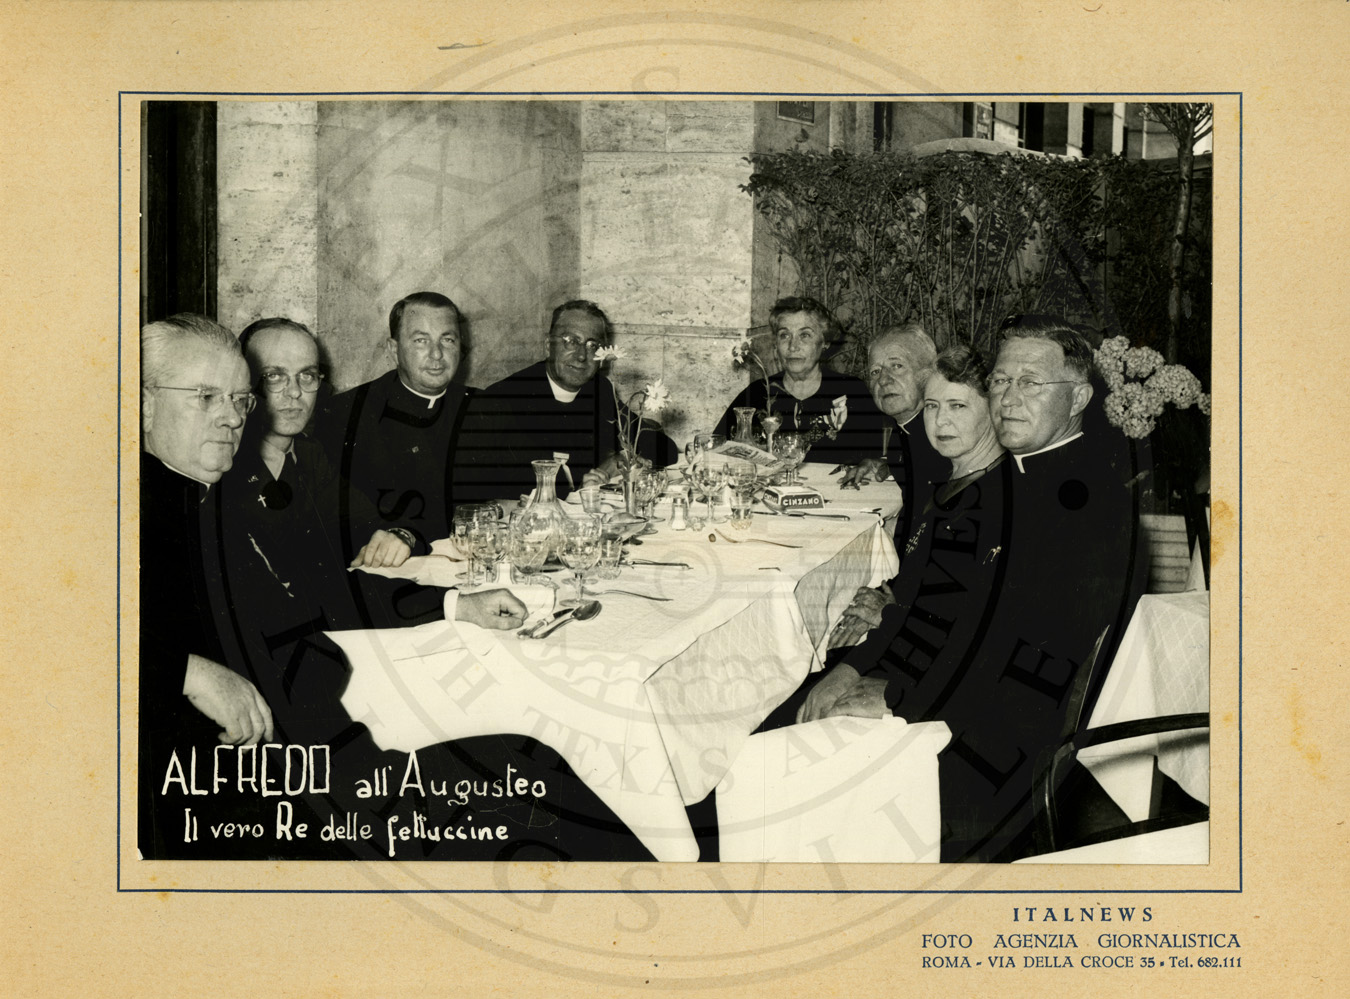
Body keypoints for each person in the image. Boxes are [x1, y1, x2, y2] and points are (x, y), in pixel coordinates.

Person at [814, 319, 1148, 861]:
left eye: (1030, 383)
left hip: (995, 756)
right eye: (1000, 381)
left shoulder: (1087, 505)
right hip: (958, 704)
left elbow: (1031, 668)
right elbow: (940, 613)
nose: (1008, 399)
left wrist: (897, 696)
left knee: (789, 774)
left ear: (1079, 398)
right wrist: (857, 669)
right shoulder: (1007, 482)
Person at [452, 300, 674, 503]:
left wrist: (619, 460)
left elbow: (663, 447)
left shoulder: (598, 389)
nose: (581, 355)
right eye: (571, 341)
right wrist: (583, 483)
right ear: (548, 346)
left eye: (592, 345)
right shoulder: (503, 400)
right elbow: (491, 493)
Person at [829, 323, 951, 647]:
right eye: (875, 371)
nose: (883, 380)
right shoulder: (910, 431)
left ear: (930, 372)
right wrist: (886, 462)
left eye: (897, 366)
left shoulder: (949, 444)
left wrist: (893, 609)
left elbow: (943, 552)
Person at [321, 292, 467, 551]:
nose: (436, 354)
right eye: (421, 340)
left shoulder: (486, 407)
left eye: (447, 340)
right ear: (394, 350)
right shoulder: (346, 414)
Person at [713, 297, 886, 466]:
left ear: (824, 342)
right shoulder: (756, 394)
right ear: (776, 345)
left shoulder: (853, 392)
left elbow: (879, 460)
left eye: (805, 335)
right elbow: (716, 452)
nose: (793, 346)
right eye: (784, 335)